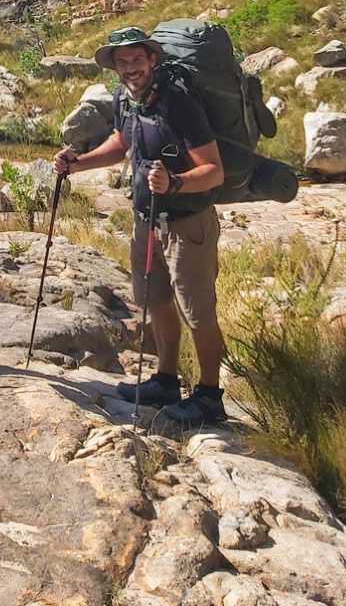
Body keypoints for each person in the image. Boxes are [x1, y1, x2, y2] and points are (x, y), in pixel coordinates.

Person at [53, 26, 228, 427]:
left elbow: (214, 171)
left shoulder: (179, 103)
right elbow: (121, 143)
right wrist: (77, 163)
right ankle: (166, 380)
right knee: (155, 300)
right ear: (114, 67)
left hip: (188, 223)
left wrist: (177, 183)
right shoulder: (126, 100)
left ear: (152, 60)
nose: (130, 68)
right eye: (122, 62)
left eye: (137, 59)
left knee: (197, 311)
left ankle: (209, 396)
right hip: (146, 220)